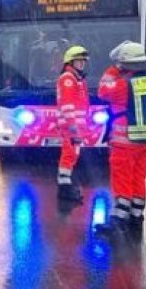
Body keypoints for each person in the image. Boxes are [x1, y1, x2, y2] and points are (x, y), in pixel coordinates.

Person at [96, 41, 146, 235]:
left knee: (122, 178)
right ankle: (136, 215)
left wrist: (114, 69)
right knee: (139, 178)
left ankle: (119, 220)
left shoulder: (123, 85)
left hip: (125, 140)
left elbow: (102, 91)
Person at [56, 45, 90, 203]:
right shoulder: (68, 79)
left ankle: (66, 185)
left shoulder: (77, 78)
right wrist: (73, 127)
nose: (82, 64)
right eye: (79, 61)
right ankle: (64, 188)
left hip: (76, 126)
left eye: (83, 61)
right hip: (72, 127)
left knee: (72, 155)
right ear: (70, 62)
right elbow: (68, 106)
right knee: (69, 155)